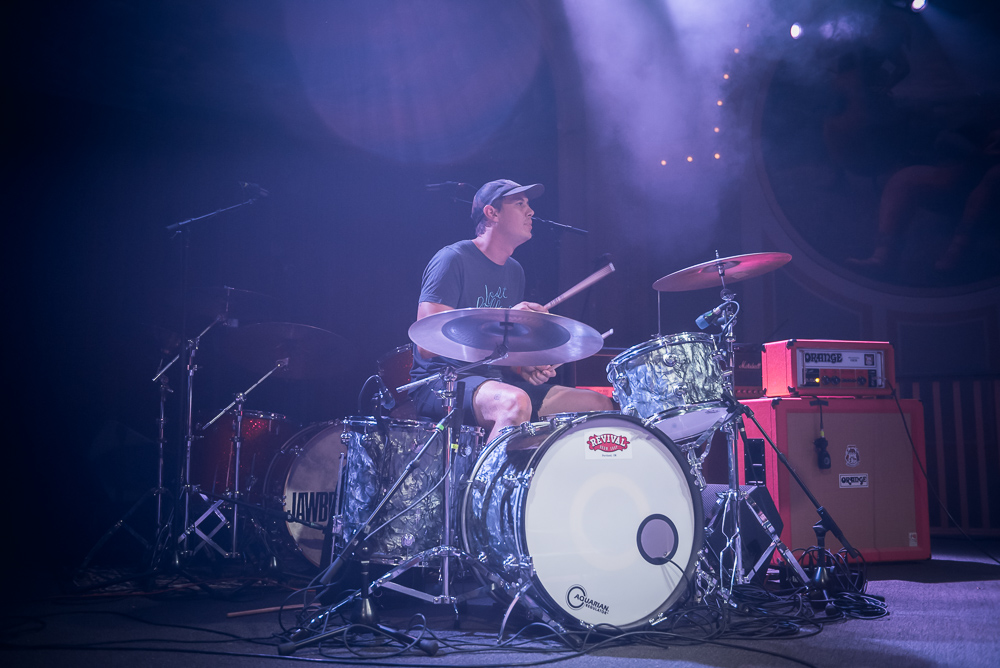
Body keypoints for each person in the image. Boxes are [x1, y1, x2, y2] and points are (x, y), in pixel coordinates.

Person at [409, 179, 614, 445]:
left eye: (529, 205)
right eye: (519, 204)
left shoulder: (514, 270)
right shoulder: (452, 259)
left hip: (491, 381)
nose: (530, 212)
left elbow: (498, 353)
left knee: (599, 405)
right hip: (442, 383)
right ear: (492, 213)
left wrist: (522, 368)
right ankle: (481, 487)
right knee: (514, 402)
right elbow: (427, 346)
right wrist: (500, 317)